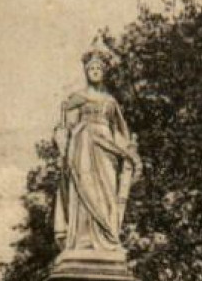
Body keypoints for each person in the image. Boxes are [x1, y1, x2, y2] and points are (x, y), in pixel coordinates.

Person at [53, 46, 142, 252]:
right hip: (82, 145)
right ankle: (83, 238)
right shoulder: (76, 99)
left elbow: (119, 132)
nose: (94, 71)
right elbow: (66, 128)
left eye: (98, 68)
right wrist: (63, 145)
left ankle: (107, 237)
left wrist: (129, 151)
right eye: (91, 68)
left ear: (103, 72)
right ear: (86, 71)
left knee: (107, 192)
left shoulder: (111, 102)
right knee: (84, 188)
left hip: (106, 150)